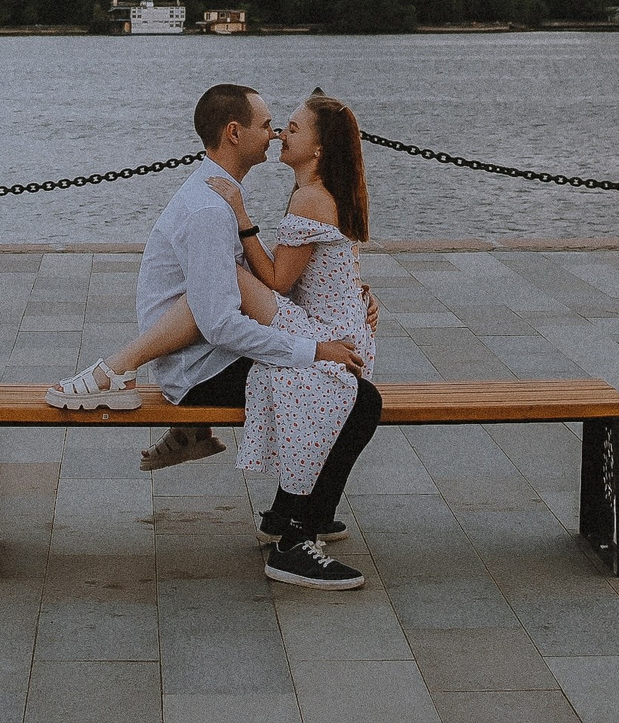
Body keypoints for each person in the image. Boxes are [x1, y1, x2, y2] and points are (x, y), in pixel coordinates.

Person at [47, 85, 383, 590]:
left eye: (283, 126)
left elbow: (268, 287)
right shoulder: (209, 210)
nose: (274, 133)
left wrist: (353, 297)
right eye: (267, 124)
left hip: (210, 352)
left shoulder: (220, 198)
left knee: (349, 392)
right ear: (234, 133)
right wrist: (313, 349)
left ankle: (290, 518)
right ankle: (293, 540)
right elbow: (220, 322)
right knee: (352, 397)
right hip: (200, 370)